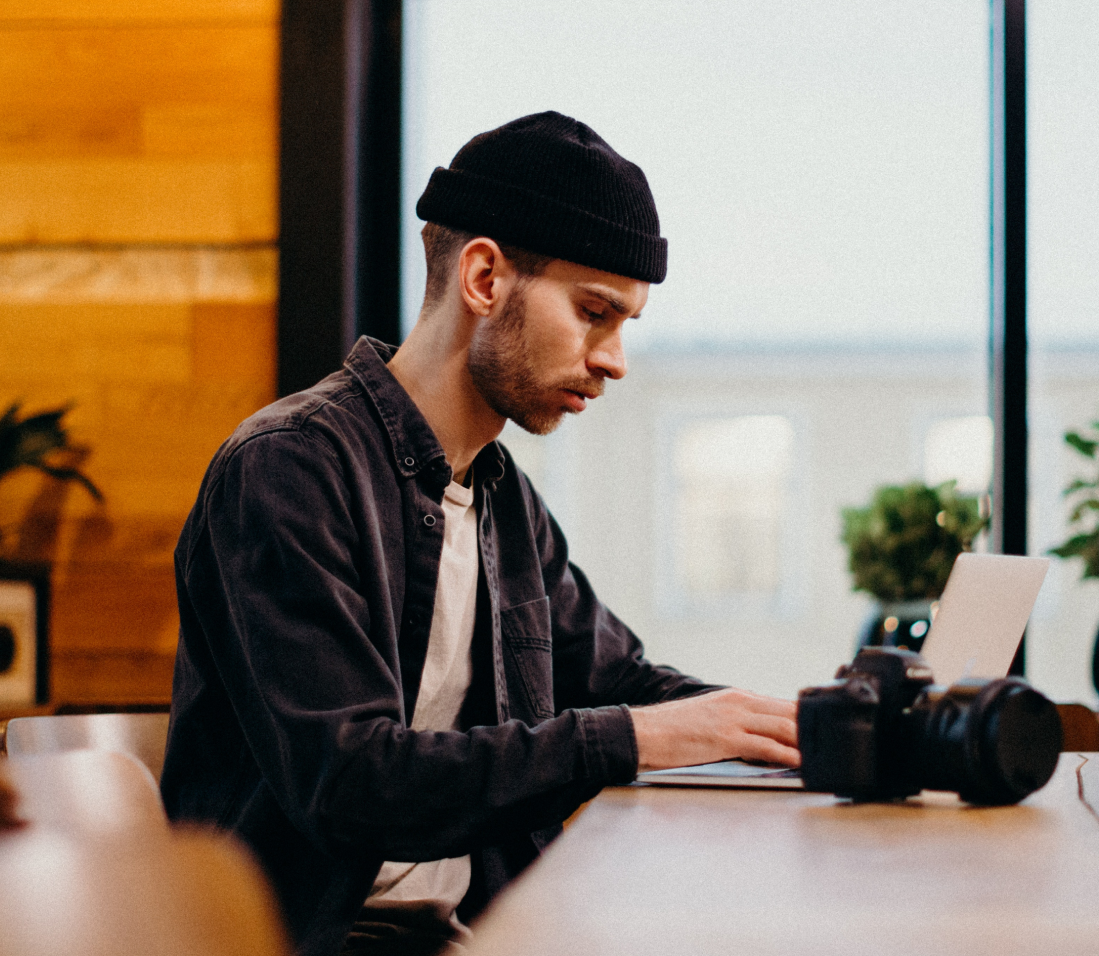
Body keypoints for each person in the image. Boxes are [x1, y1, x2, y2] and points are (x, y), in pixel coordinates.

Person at [160, 111, 799, 956]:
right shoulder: (288, 472)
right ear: (486, 278)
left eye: (624, 325)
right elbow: (349, 783)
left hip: (475, 932)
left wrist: (817, 733)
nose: (615, 360)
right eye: (593, 312)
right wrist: (636, 739)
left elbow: (621, 683)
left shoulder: (502, 501)